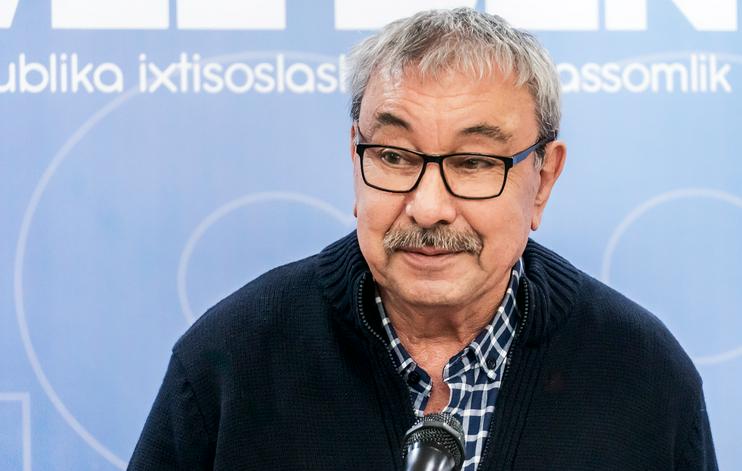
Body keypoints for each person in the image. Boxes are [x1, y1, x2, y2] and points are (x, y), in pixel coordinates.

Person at [128, 8, 717, 470]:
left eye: (474, 162)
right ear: (354, 158)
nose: (429, 208)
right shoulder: (233, 359)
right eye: (393, 155)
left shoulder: (642, 373)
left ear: (543, 180)